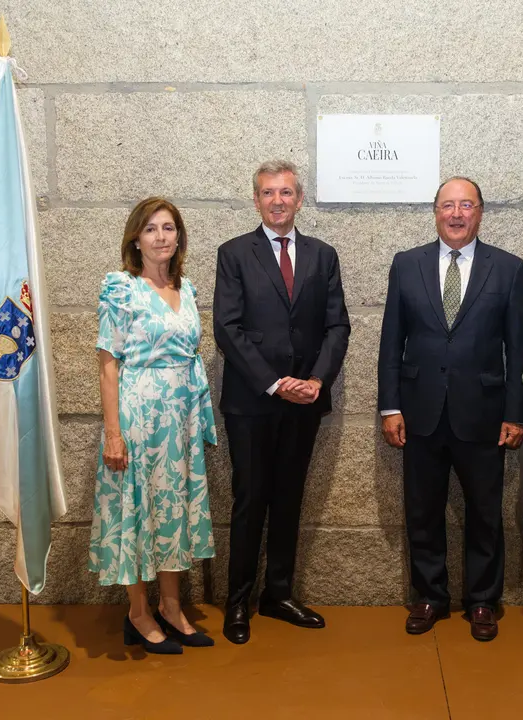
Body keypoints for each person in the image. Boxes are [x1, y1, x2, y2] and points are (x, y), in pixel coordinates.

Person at [377, 177, 523, 642]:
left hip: (483, 413)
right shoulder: (407, 264)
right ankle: (429, 596)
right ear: (435, 211)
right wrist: (389, 406)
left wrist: (515, 412)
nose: (457, 213)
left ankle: (483, 601)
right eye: (448, 205)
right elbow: (390, 340)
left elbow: (517, 347)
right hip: (419, 412)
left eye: (467, 205)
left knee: (485, 511)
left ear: (480, 212)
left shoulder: (507, 267)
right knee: (422, 510)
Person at [213, 160, 350, 645]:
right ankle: (238, 604)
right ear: (256, 200)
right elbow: (227, 329)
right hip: (252, 403)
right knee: (251, 500)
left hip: (306, 402)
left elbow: (337, 326)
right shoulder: (233, 254)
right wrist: (275, 383)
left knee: (290, 499)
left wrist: (315, 380)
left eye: (286, 192)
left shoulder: (322, 255)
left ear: (299, 199)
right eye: (268, 193)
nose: (277, 200)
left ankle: (279, 594)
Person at [89, 197, 216, 654]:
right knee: (138, 511)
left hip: (179, 422)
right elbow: (107, 365)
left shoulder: (189, 290)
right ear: (135, 239)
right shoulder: (121, 288)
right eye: (150, 229)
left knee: (173, 511)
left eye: (168, 228)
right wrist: (113, 432)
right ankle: (138, 613)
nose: (161, 237)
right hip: (138, 416)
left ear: (179, 237)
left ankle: (171, 606)